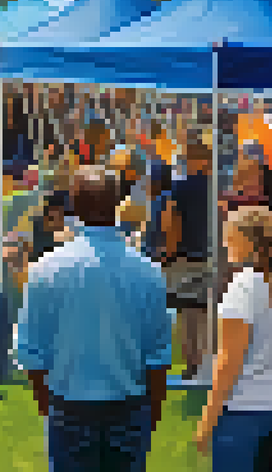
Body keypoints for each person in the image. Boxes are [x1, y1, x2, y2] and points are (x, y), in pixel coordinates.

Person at [16, 166, 172, 472]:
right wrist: (151, 415)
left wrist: (48, 407)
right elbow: (159, 356)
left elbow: (32, 353)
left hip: (69, 405)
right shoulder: (148, 271)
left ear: (73, 204)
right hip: (127, 405)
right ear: (118, 202)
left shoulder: (45, 269)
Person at [195, 206, 272, 469]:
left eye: (227, 235)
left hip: (244, 412)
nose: (224, 243)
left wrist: (208, 419)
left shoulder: (244, 286)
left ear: (245, 239)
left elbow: (229, 360)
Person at [162, 142, 214, 379]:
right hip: (211, 257)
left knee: (187, 315)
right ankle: (205, 363)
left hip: (185, 257)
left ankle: (191, 365)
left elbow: (171, 222)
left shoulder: (180, 187)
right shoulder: (217, 188)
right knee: (205, 314)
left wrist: (168, 254)